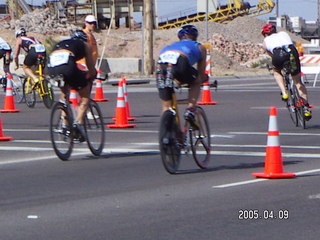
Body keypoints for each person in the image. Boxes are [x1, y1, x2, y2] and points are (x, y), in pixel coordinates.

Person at [47, 29, 97, 141]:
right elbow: (91, 68)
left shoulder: (62, 43)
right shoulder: (85, 45)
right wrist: (92, 76)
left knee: (64, 93)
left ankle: (64, 124)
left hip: (50, 67)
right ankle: (78, 124)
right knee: (84, 96)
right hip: (67, 66)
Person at [156, 24, 208, 124]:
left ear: (179, 37)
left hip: (160, 64)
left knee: (167, 107)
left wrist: (177, 79)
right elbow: (201, 74)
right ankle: (190, 109)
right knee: (196, 81)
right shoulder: (199, 46)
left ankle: (165, 133)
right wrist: (203, 78)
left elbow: (171, 68)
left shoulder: (169, 46)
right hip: (181, 61)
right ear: (195, 36)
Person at [261, 23, 312, 120]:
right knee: (298, 82)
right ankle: (306, 108)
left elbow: (269, 53)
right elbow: (292, 44)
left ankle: (284, 92)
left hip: (278, 54)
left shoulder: (265, 40)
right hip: (292, 53)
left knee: (276, 71)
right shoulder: (284, 34)